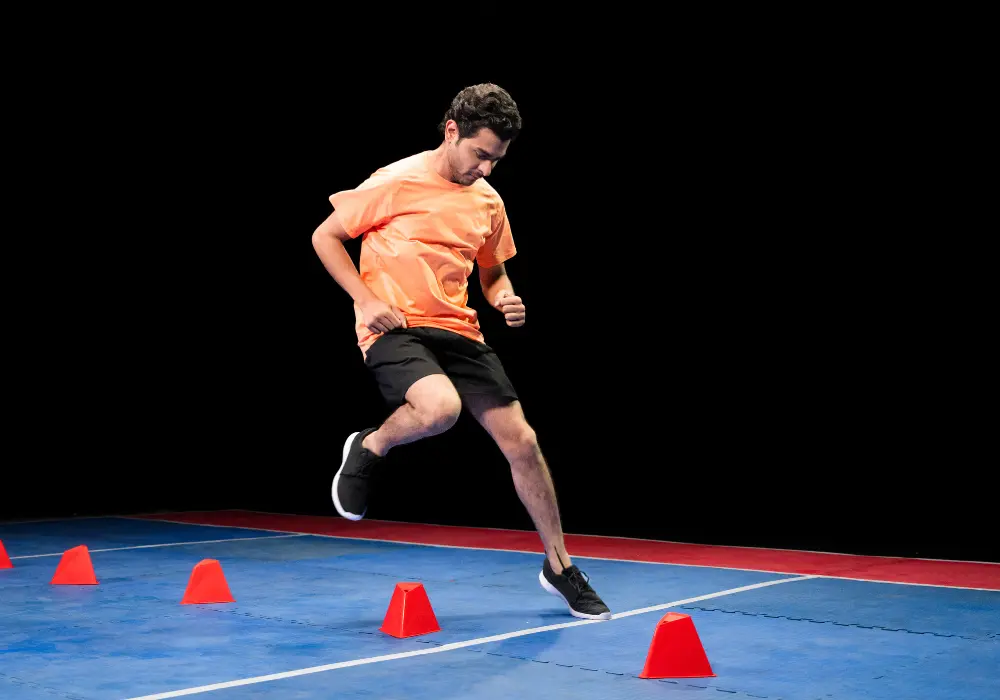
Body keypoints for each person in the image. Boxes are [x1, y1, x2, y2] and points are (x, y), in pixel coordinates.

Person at [310, 83, 611, 621]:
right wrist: (365, 298)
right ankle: (371, 445)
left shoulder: (488, 200)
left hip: (461, 332)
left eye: (497, 160)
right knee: (440, 409)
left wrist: (504, 298)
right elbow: (325, 236)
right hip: (396, 325)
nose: (487, 169)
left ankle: (560, 567)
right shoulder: (396, 181)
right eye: (480, 155)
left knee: (524, 442)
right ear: (452, 130)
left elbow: (493, 270)